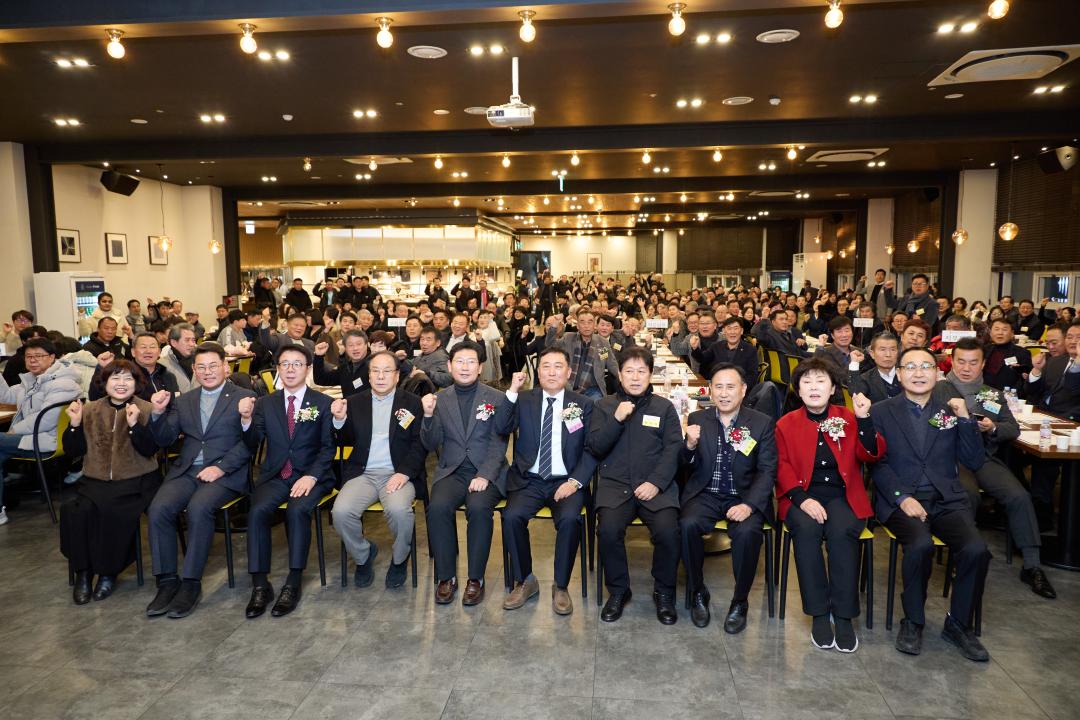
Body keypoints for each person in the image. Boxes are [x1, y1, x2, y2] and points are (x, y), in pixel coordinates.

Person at [870, 346, 991, 661]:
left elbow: (974, 460)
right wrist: (902, 498)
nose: (919, 372)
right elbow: (877, 464)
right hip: (903, 500)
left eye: (926, 366)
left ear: (938, 374)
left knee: (976, 549)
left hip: (947, 499)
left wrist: (965, 419)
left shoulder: (950, 410)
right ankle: (913, 620)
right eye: (911, 366)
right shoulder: (881, 411)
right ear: (899, 374)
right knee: (920, 544)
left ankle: (959, 624)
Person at [776, 358, 883, 652]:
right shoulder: (787, 423)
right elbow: (781, 465)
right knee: (807, 532)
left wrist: (864, 420)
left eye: (820, 381)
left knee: (843, 532)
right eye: (806, 382)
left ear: (833, 387)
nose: (813, 387)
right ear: (798, 390)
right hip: (802, 495)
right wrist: (802, 498)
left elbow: (871, 454)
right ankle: (820, 614)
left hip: (842, 495)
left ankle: (844, 616)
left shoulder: (848, 417)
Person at [936, 338, 1056, 599]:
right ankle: (963, 556)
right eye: (961, 362)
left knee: (1018, 496)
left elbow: (1012, 428)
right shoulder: (939, 389)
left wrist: (993, 427)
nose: (966, 368)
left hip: (982, 457)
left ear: (982, 364)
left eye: (973, 362)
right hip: (950, 459)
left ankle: (1033, 564)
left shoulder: (990, 393)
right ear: (952, 362)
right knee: (968, 495)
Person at [145, 343, 256, 619]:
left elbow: (250, 443)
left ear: (225, 367)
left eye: (213, 366)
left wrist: (221, 468)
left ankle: (191, 582)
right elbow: (165, 439)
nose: (207, 372)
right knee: (158, 509)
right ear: (194, 370)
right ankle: (167, 580)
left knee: (198, 508)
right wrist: (157, 414)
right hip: (188, 471)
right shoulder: (185, 400)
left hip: (225, 474)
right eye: (201, 367)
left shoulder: (245, 396)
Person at [494, 350, 599, 615]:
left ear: (568, 372)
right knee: (511, 516)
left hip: (565, 481)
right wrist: (512, 391)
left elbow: (592, 449)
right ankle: (525, 580)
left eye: (558, 367)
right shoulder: (524, 399)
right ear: (537, 372)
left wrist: (575, 482)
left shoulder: (583, 404)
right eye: (545, 367)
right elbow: (502, 427)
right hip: (529, 480)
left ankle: (561, 585)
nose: (551, 372)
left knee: (570, 519)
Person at [237, 345, 335, 618]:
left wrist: (312, 476)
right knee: (257, 511)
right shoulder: (266, 403)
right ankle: (260, 584)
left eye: (297, 364)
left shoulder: (322, 402)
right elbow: (252, 442)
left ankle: (293, 581)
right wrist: (245, 421)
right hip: (277, 475)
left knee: (297, 510)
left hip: (311, 475)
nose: (291, 369)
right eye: (285, 364)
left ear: (308, 369)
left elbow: (328, 448)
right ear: (278, 368)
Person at [588, 347, 682, 624]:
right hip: (616, 485)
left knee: (669, 532)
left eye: (642, 371)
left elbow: (673, 448)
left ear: (651, 374)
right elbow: (595, 447)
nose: (635, 377)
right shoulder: (604, 406)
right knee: (608, 530)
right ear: (619, 374)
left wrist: (656, 482)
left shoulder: (663, 407)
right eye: (629, 371)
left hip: (655, 486)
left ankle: (664, 591)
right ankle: (618, 590)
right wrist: (616, 419)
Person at [680, 364, 776, 632]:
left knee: (747, 534)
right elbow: (684, 467)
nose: (723, 393)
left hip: (743, 496)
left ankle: (740, 600)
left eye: (730, 387)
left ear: (743, 390)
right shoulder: (698, 419)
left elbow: (768, 469)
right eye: (718, 387)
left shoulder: (760, 423)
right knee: (687, 525)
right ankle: (697, 590)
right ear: (710, 390)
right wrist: (687, 447)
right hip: (706, 493)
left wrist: (748, 505)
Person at [60, 360, 165, 604]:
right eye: (115, 378)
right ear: (104, 383)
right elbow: (72, 451)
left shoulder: (147, 409)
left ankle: (108, 573)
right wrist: (74, 425)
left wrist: (133, 426)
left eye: (127, 378)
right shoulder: (90, 409)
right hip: (94, 480)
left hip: (136, 481)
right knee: (75, 511)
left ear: (136, 383)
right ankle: (83, 573)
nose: (121, 384)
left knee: (112, 511)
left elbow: (151, 448)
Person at [421, 341, 510, 606]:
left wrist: (485, 475)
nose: (465, 367)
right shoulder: (439, 398)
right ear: (449, 366)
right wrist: (427, 416)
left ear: (480, 367)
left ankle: (475, 578)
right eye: (459, 361)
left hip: (487, 471)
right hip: (453, 470)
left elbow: (499, 442)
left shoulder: (496, 398)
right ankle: (446, 577)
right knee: (437, 508)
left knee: (479, 508)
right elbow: (430, 443)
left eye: (471, 362)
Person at [331, 351, 426, 589]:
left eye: (387, 371)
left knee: (399, 511)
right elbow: (344, 441)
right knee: (340, 513)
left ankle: (400, 558)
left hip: (398, 473)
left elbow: (420, 444)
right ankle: (363, 556)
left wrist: (404, 473)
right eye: (375, 371)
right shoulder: (354, 402)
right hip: (363, 473)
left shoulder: (412, 403)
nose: (381, 376)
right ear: (369, 375)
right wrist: (340, 421)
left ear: (396, 376)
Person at [0, 338, 83, 524]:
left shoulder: (64, 382)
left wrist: (15, 430)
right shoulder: (32, 380)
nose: (32, 360)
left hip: (50, 439)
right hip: (34, 436)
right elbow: (6, 396)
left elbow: (46, 420)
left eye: (38, 356)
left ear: (52, 358)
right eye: (29, 356)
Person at [542, 309, 620, 400]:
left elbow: (612, 364)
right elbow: (549, 345)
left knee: (597, 409)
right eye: (582, 322)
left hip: (593, 389)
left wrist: (623, 377)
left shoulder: (602, 343)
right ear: (578, 326)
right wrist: (555, 325)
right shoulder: (568, 338)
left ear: (594, 325)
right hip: (568, 386)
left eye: (590, 322)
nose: (586, 326)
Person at [691, 316, 757, 388]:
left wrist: (739, 387)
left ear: (741, 331)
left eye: (736, 328)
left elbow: (752, 375)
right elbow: (702, 359)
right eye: (729, 328)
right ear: (724, 331)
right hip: (717, 387)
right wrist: (695, 348)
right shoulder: (716, 346)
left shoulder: (750, 350)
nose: (732, 332)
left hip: (739, 390)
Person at [982, 318, 1033, 391]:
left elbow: (1025, 379)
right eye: (996, 329)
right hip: (983, 392)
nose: (1000, 333)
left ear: (1012, 333)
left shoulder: (1022, 353)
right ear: (990, 333)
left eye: (1004, 330)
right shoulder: (984, 350)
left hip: (1008, 395)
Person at [159, 323, 199, 392]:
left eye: (193, 340)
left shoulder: (199, 361)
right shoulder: (162, 365)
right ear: (174, 343)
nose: (192, 344)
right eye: (187, 340)